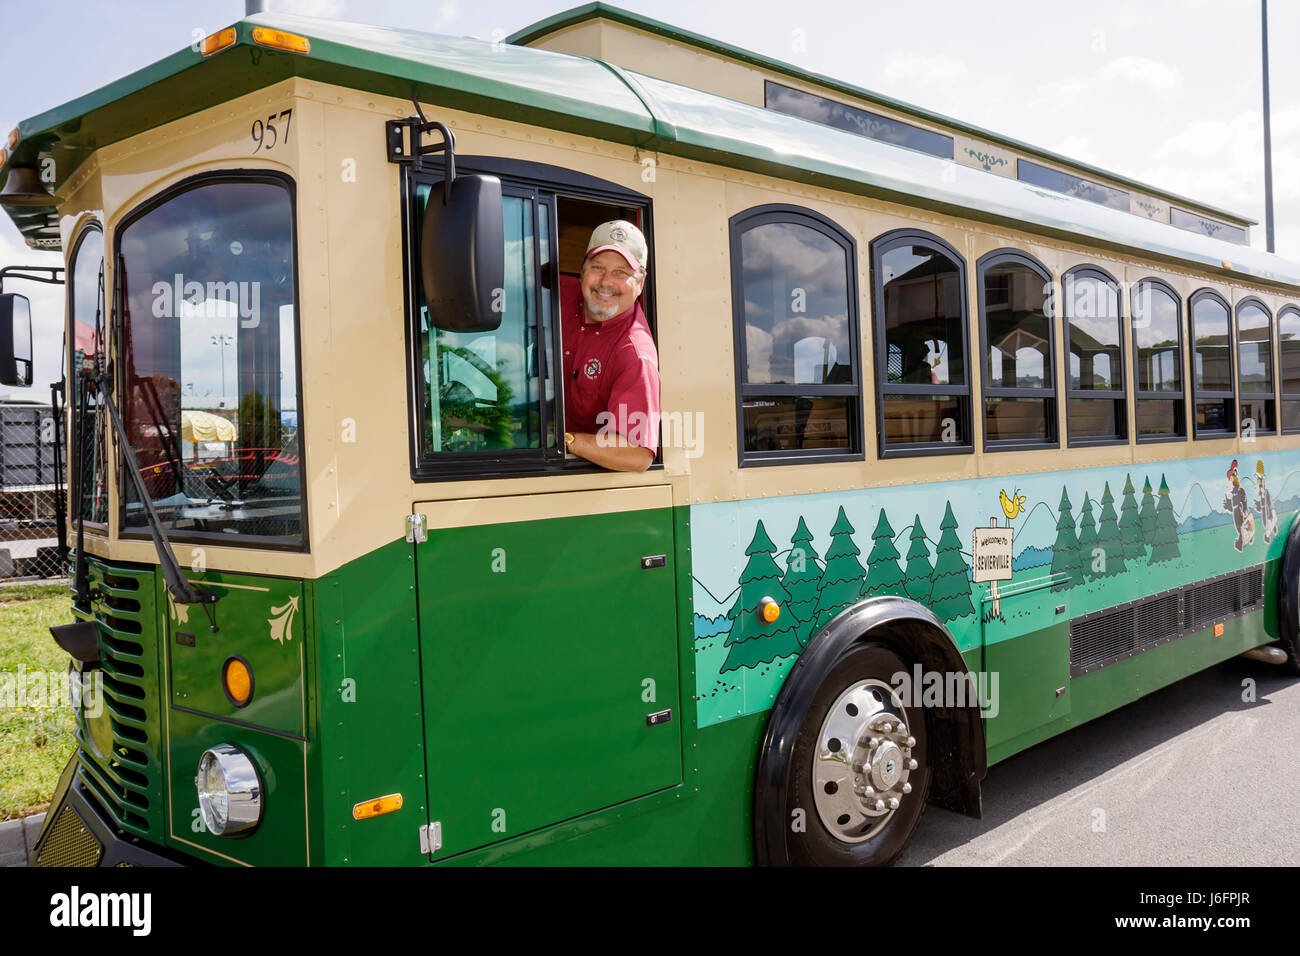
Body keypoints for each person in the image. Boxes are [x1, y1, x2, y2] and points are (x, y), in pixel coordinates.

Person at [561, 220, 661, 472]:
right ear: (582, 270)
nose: (605, 282)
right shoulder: (559, 292)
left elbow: (637, 454)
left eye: (621, 273)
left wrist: (564, 440)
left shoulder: (635, 354)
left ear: (640, 283)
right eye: (598, 267)